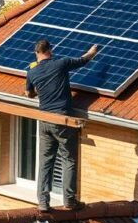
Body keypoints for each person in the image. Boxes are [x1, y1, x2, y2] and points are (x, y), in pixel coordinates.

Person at [24, 39, 99, 212]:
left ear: (37, 53)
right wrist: (93, 50)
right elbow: (83, 60)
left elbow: (28, 94)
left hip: (44, 121)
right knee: (69, 159)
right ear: (50, 50)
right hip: (63, 120)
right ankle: (69, 201)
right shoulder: (61, 64)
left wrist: (41, 88)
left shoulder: (32, 72)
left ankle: (43, 202)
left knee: (45, 162)